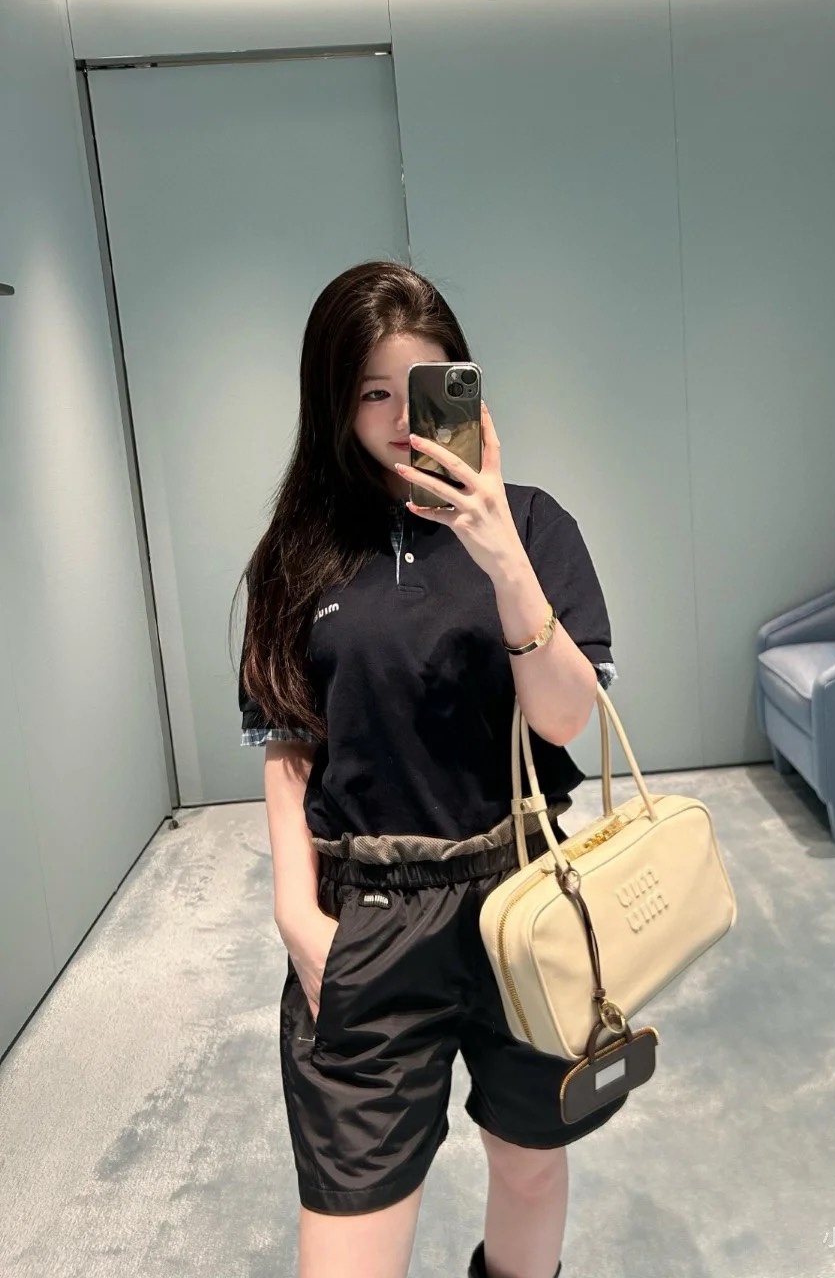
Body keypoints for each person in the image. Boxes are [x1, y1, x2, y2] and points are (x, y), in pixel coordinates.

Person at [232, 261, 624, 1278]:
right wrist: (296, 914)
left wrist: (500, 555)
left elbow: (565, 716)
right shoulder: (298, 554)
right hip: (366, 917)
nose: (403, 421)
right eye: (373, 392)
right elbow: (289, 742)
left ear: (464, 386)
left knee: (529, 1167)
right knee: (350, 1227)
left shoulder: (534, 526)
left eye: (422, 387)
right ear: (333, 403)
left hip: (520, 898)